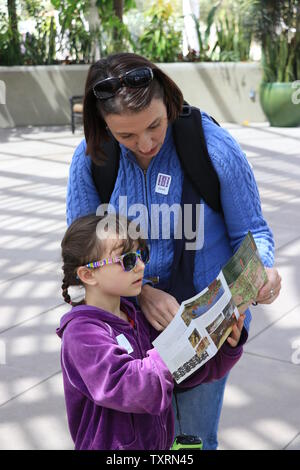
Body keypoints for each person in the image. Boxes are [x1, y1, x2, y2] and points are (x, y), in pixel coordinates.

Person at [66, 52, 282, 449]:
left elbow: (253, 232)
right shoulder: (92, 159)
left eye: (154, 125)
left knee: (193, 443)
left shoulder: (211, 146)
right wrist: (143, 292)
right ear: (103, 126)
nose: (145, 144)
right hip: (128, 331)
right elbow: (83, 253)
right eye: (125, 136)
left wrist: (263, 271)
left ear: (169, 101)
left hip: (206, 328)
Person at [56, 213, 247, 450]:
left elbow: (182, 371)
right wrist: (175, 349)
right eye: (127, 260)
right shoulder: (81, 335)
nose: (141, 266)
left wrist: (222, 345)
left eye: (141, 255)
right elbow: (131, 384)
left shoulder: (134, 317)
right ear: (88, 274)